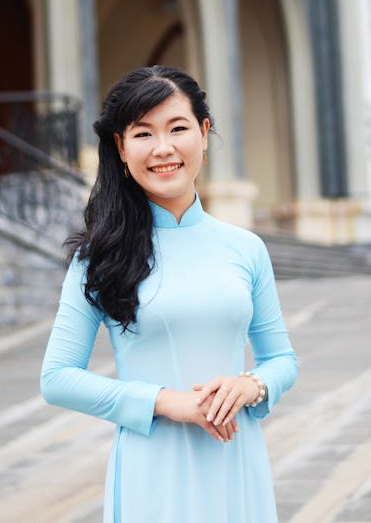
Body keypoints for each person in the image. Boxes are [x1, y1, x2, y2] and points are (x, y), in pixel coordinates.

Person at [40, 65, 297, 523]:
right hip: (153, 473)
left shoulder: (246, 248)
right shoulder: (99, 258)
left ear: (203, 133)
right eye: (142, 134)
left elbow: (282, 361)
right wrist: (166, 402)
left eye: (177, 128)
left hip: (237, 462)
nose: (163, 149)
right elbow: (57, 378)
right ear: (120, 148)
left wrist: (250, 385)